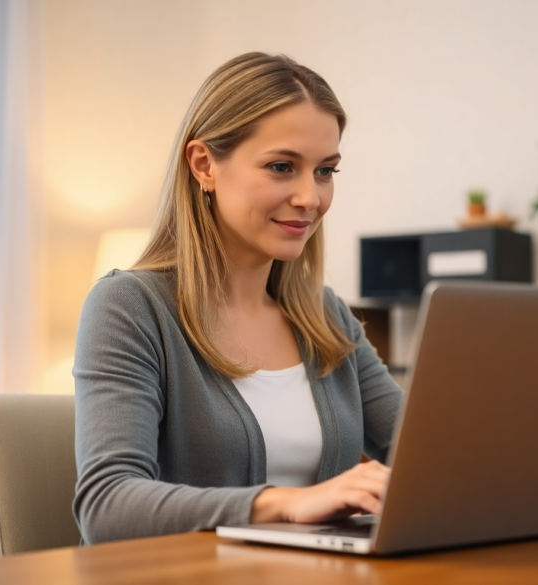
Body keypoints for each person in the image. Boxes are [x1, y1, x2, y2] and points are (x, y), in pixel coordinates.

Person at [73, 52, 404, 545]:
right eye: (281, 167)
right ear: (204, 164)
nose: (311, 198)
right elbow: (106, 505)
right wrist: (286, 505)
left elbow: (426, 456)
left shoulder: (326, 315)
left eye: (325, 171)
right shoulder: (129, 307)